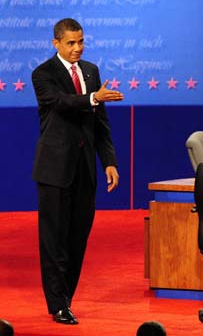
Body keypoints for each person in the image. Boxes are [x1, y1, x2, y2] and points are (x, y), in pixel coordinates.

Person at [31, 18, 124, 324]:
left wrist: (109, 161)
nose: (77, 48)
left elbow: (100, 123)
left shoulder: (91, 71)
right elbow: (62, 103)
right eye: (71, 43)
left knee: (77, 237)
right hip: (55, 169)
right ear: (56, 43)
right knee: (54, 239)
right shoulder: (43, 74)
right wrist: (94, 97)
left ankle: (66, 298)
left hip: (85, 169)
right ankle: (57, 304)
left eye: (81, 42)